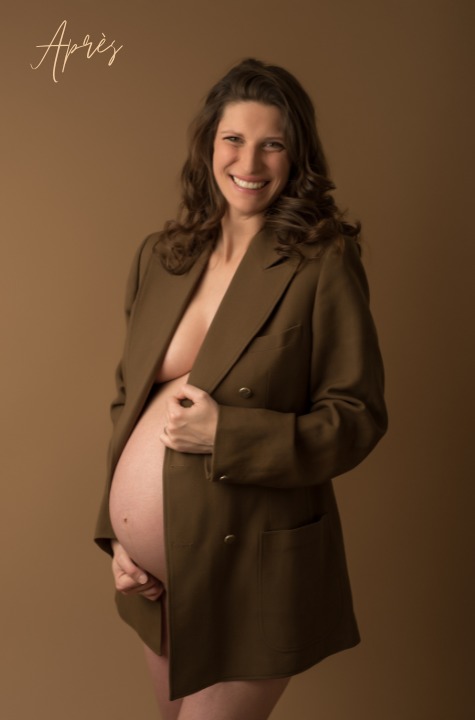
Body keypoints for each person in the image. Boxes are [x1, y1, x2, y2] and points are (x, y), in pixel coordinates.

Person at [94, 58, 387, 720]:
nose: (249, 160)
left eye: (272, 142)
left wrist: (228, 434)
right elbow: (126, 402)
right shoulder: (162, 255)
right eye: (233, 139)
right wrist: (117, 539)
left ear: (295, 155)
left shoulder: (323, 261)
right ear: (208, 146)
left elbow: (357, 416)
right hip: (160, 582)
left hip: (254, 565)